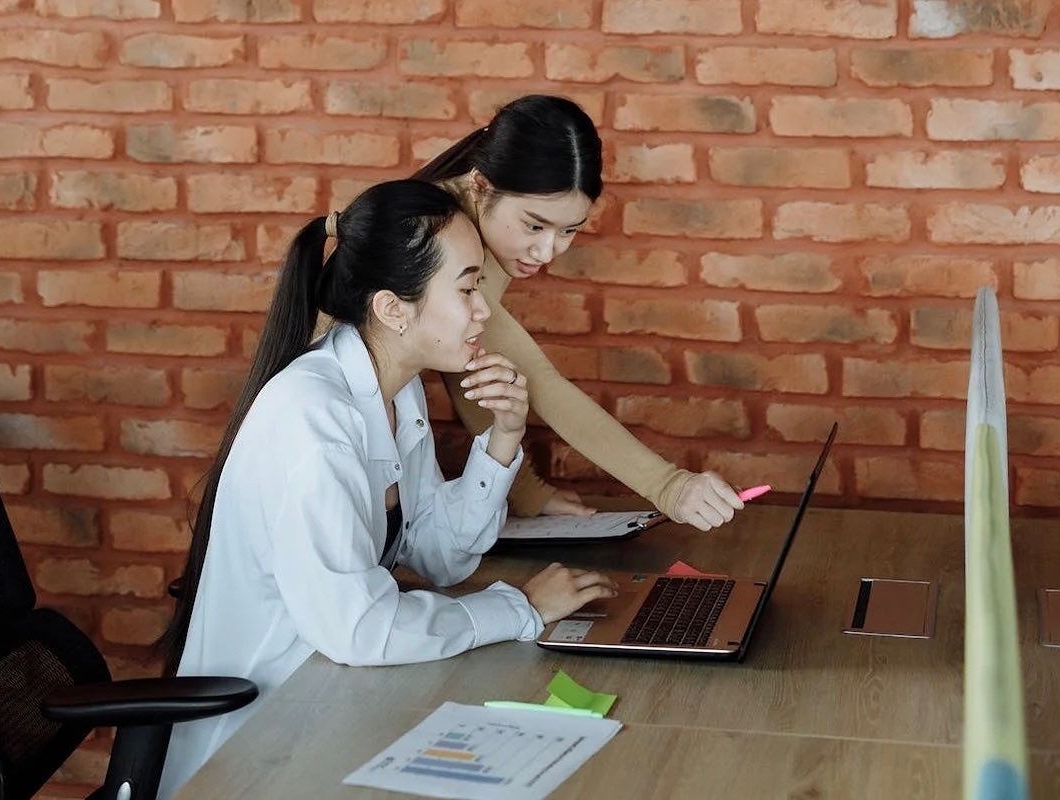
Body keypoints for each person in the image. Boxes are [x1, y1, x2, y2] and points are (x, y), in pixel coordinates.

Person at [155, 180, 618, 797]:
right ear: (392, 309)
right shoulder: (314, 419)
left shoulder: (397, 389)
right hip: (261, 742)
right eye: (466, 287)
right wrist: (520, 609)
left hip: (340, 693)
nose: (483, 309)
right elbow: (360, 629)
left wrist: (504, 438)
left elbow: (437, 556)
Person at [413, 94, 743, 531]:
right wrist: (669, 486)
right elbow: (539, 382)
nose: (547, 251)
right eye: (534, 225)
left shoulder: (477, 226)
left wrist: (527, 493)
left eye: (568, 230)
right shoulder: (438, 235)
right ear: (481, 185)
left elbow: (476, 375)